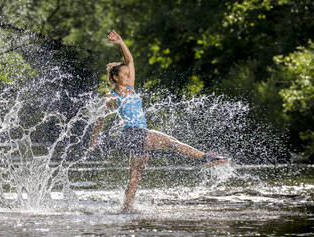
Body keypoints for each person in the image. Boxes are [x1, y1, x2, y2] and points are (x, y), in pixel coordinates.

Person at [89, 30, 229, 211]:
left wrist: (121, 42)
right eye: (123, 74)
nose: (127, 76)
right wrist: (94, 139)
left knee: (135, 177)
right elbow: (99, 118)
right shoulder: (111, 96)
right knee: (171, 142)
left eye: (127, 74)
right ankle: (205, 157)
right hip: (133, 133)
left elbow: (130, 60)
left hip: (137, 135)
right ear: (115, 77)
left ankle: (125, 209)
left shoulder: (130, 88)